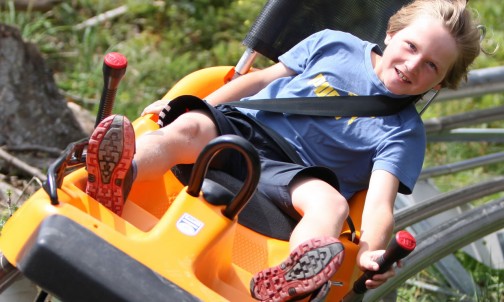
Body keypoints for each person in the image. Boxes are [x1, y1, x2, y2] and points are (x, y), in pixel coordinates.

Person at [85, 0, 482, 300]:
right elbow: (258, 83)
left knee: (332, 207)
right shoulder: (334, 45)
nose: (413, 65)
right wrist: (189, 105)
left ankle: (295, 278)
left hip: (297, 175)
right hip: (242, 129)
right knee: (189, 126)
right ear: (391, 34)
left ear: (439, 85)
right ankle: (117, 176)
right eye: (411, 46)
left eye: (431, 66)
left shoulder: (404, 131)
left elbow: (379, 205)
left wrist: (372, 253)